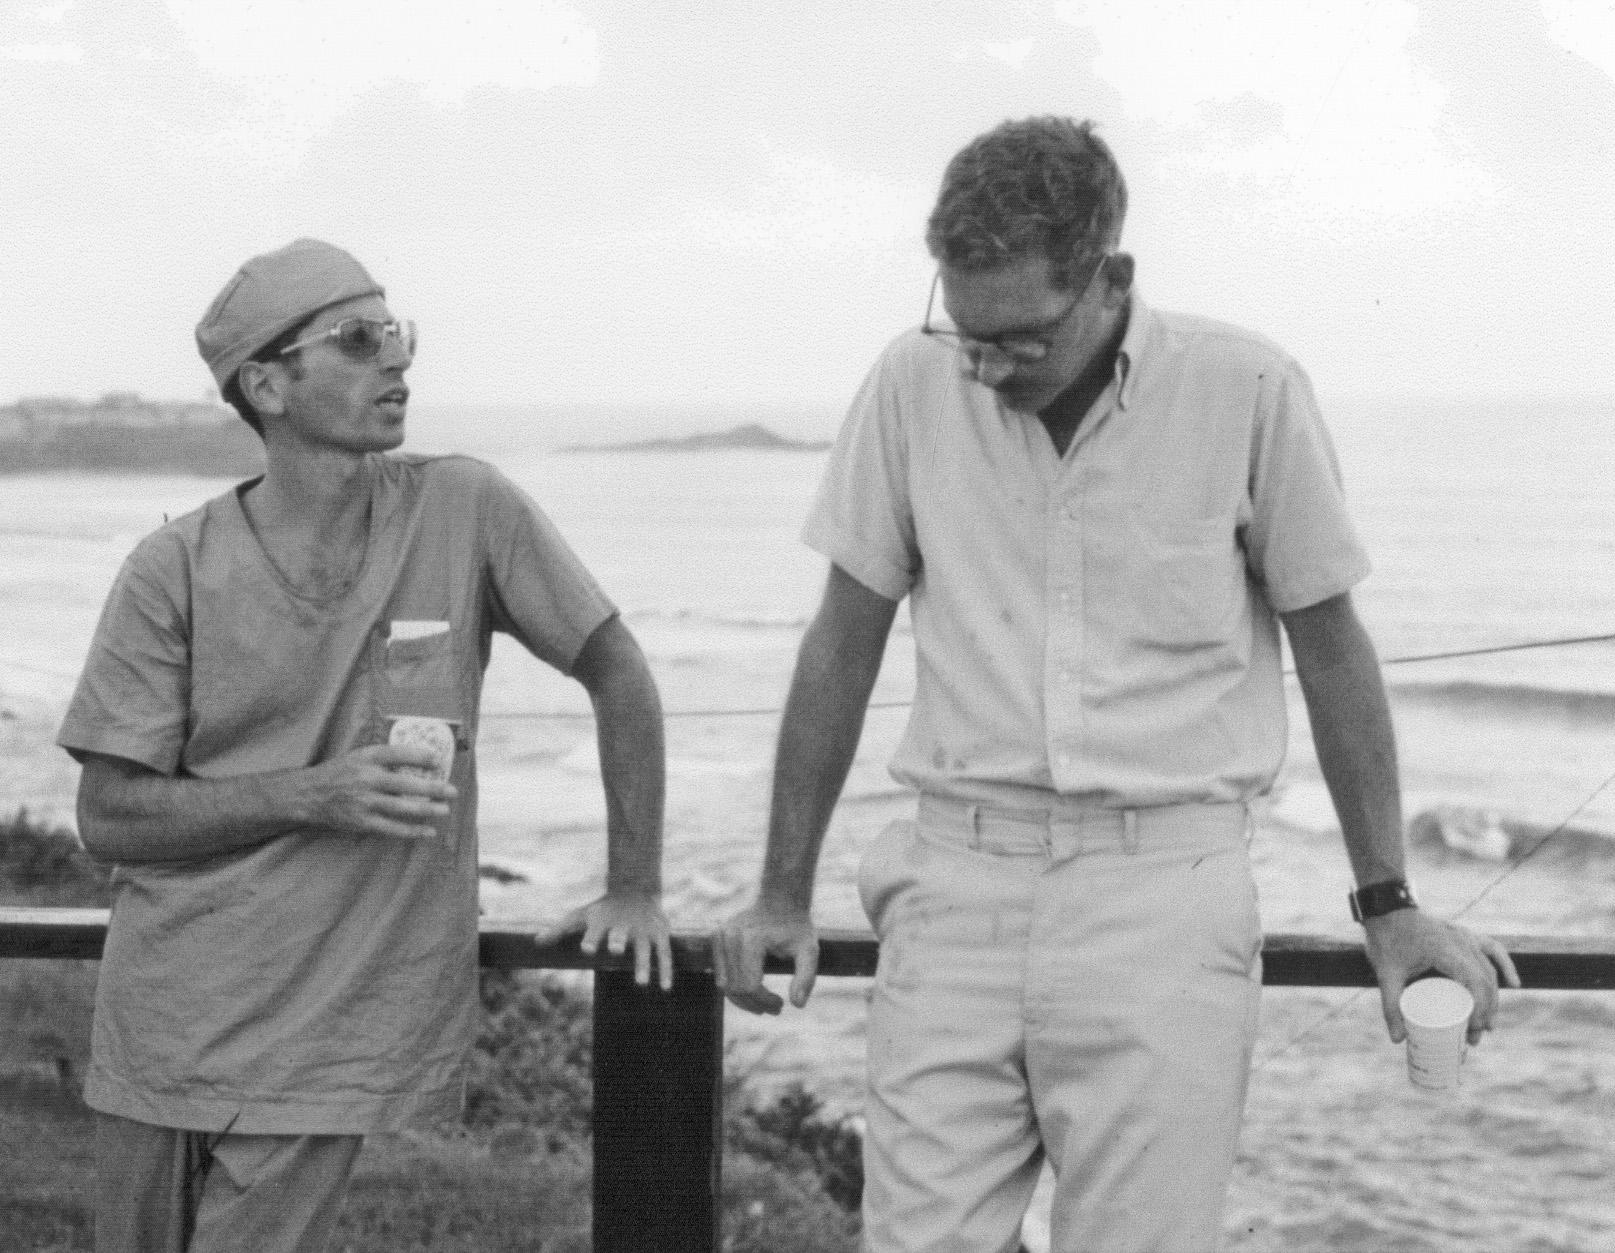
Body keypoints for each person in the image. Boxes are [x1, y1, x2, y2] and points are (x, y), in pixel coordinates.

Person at [713, 117, 1520, 1252]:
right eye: (965, 333)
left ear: (1111, 277)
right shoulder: (909, 381)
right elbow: (841, 643)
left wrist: (1387, 904)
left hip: (1165, 894)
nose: (985, 366)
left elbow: (1333, 651)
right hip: (953, 883)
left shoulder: (1246, 387)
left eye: (1021, 339)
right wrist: (780, 891)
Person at [58, 238, 673, 1253]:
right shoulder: (171, 568)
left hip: (328, 1038)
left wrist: (635, 885)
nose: (396, 359)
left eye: (397, 334)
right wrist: (315, 793)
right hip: (162, 1022)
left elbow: (619, 672)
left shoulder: (466, 509)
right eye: (357, 339)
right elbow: (108, 814)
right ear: (267, 384)